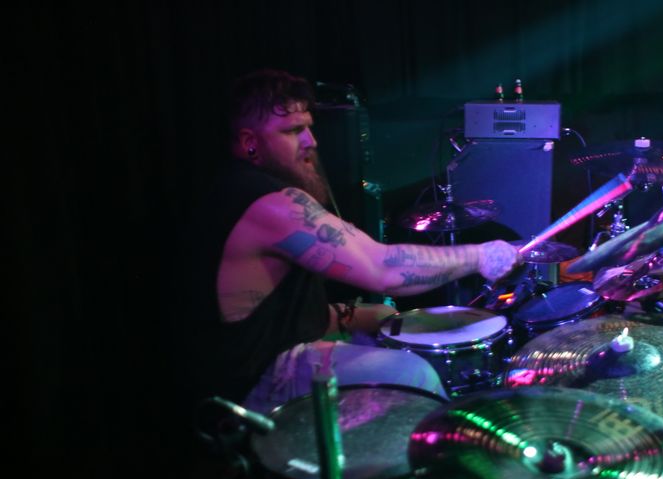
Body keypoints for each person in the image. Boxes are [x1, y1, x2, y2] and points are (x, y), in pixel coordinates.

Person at [192, 69, 520, 411]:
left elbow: (270, 318)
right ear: (250, 142)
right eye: (293, 131)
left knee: (386, 322)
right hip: (257, 383)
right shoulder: (268, 202)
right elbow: (385, 269)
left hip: (267, 362)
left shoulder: (238, 190)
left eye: (308, 127)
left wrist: (349, 316)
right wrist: (482, 255)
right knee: (413, 373)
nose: (311, 141)